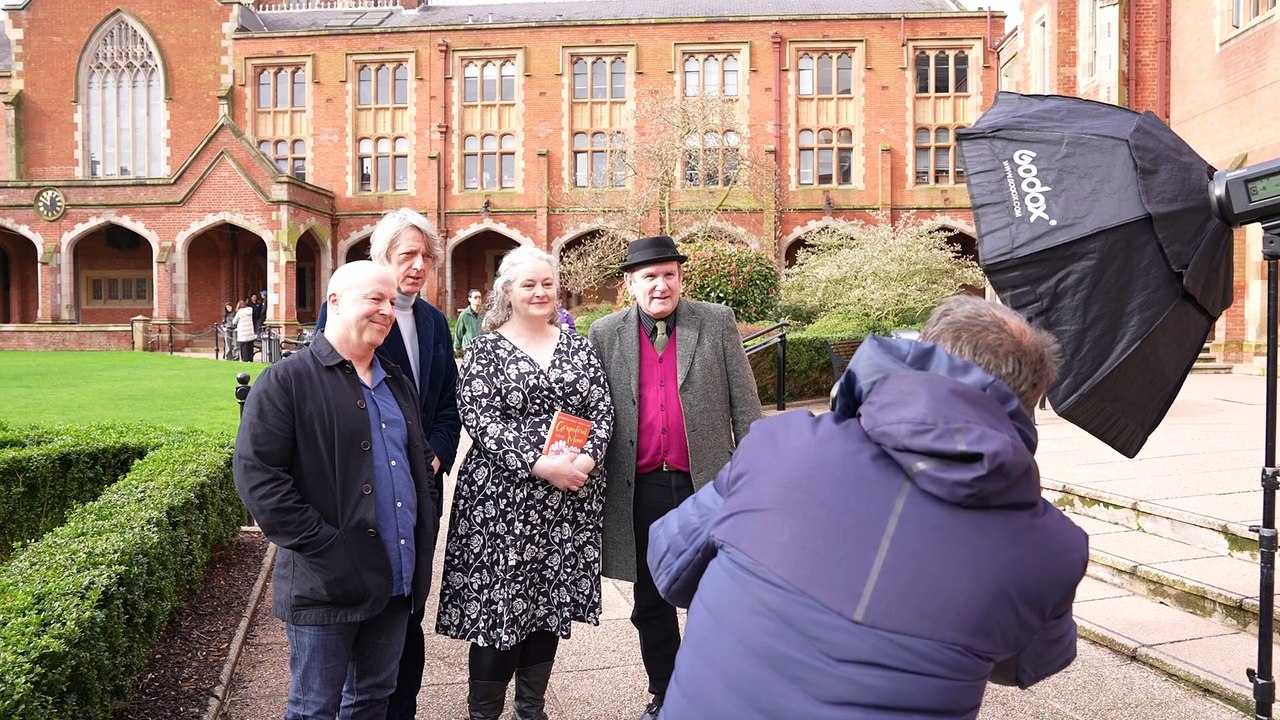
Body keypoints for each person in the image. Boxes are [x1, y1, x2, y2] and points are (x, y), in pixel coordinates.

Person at [646, 295, 1089, 720]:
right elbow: (1028, 663)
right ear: (1028, 401)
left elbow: (668, 563)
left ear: (920, 354)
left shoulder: (780, 445)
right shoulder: (1051, 548)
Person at [233, 261, 440, 720]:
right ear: (336, 302)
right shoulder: (286, 382)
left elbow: (415, 463)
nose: (387, 310)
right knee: (314, 708)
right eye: (375, 299)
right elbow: (259, 479)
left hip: (395, 579)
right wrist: (329, 546)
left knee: (372, 699)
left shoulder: (396, 383)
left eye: (392, 301)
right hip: (325, 584)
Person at [435, 246, 614, 720]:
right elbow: (481, 419)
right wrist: (541, 463)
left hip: (567, 502)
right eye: (528, 284)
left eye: (547, 283)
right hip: (501, 504)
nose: (540, 292)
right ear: (507, 292)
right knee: (500, 611)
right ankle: (484, 713)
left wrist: (587, 460)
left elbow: (601, 410)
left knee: (547, 603)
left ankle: (531, 707)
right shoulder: (485, 350)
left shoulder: (578, 346)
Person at [588, 235, 761, 720]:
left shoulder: (716, 321)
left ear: (681, 278)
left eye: (669, 274)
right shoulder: (605, 333)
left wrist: (757, 475)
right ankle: (667, 693)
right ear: (630, 284)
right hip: (637, 488)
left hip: (705, 484)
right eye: (649, 277)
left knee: (718, 594)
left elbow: (746, 405)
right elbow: (589, 409)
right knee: (650, 599)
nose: (660, 285)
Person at [315, 208, 462, 720]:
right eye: (407, 255)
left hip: (422, 485)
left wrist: (439, 451)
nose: (419, 266)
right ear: (381, 258)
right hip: (365, 485)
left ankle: (401, 707)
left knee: (409, 606)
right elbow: (331, 389)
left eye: (426, 256)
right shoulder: (351, 311)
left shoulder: (435, 322)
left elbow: (447, 403)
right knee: (361, 605)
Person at [454, 288, 484, 353]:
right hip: (469, 348)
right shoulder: (464, 315)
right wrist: (457, 347)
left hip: (483, 348)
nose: (478, 299)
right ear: (469, 299)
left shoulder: (485, 314)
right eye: (475, 297)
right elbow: (459, 332)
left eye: (480, 297)